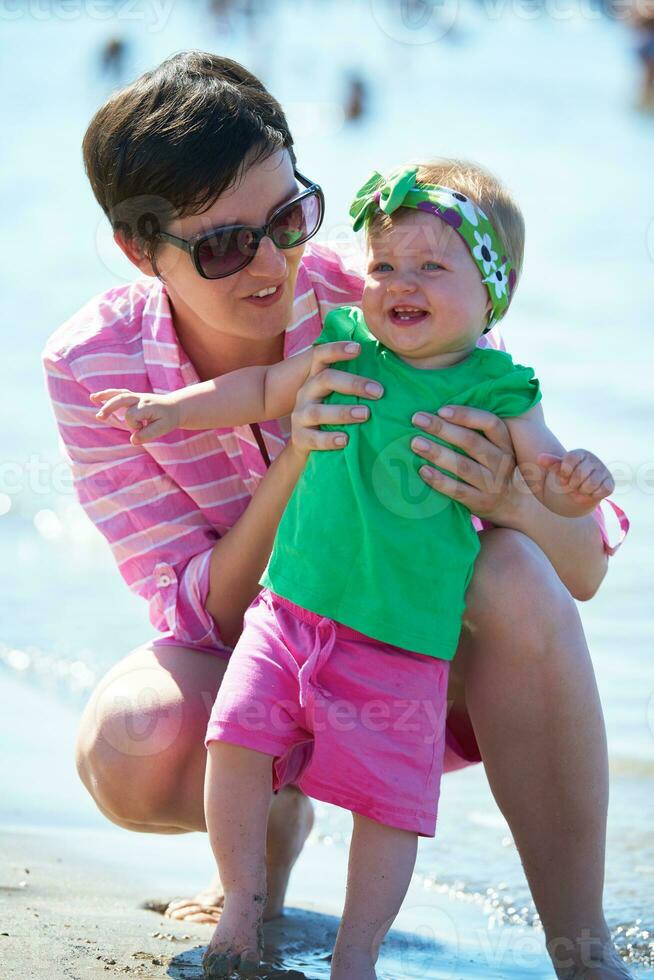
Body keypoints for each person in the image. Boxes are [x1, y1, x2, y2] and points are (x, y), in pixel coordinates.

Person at [41, 51, 630, 980]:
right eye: (224, 244)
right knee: (137, 741)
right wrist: (299, 462)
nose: (272, 261)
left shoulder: (402, 288)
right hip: (265, 651)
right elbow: (199, 615)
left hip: (413, 653)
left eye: (288, 216)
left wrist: (510, 497)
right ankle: (264, 848)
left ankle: (583, 944)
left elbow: (584, 574)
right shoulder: (93, 367)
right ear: (137, 249)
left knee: (514, 568)